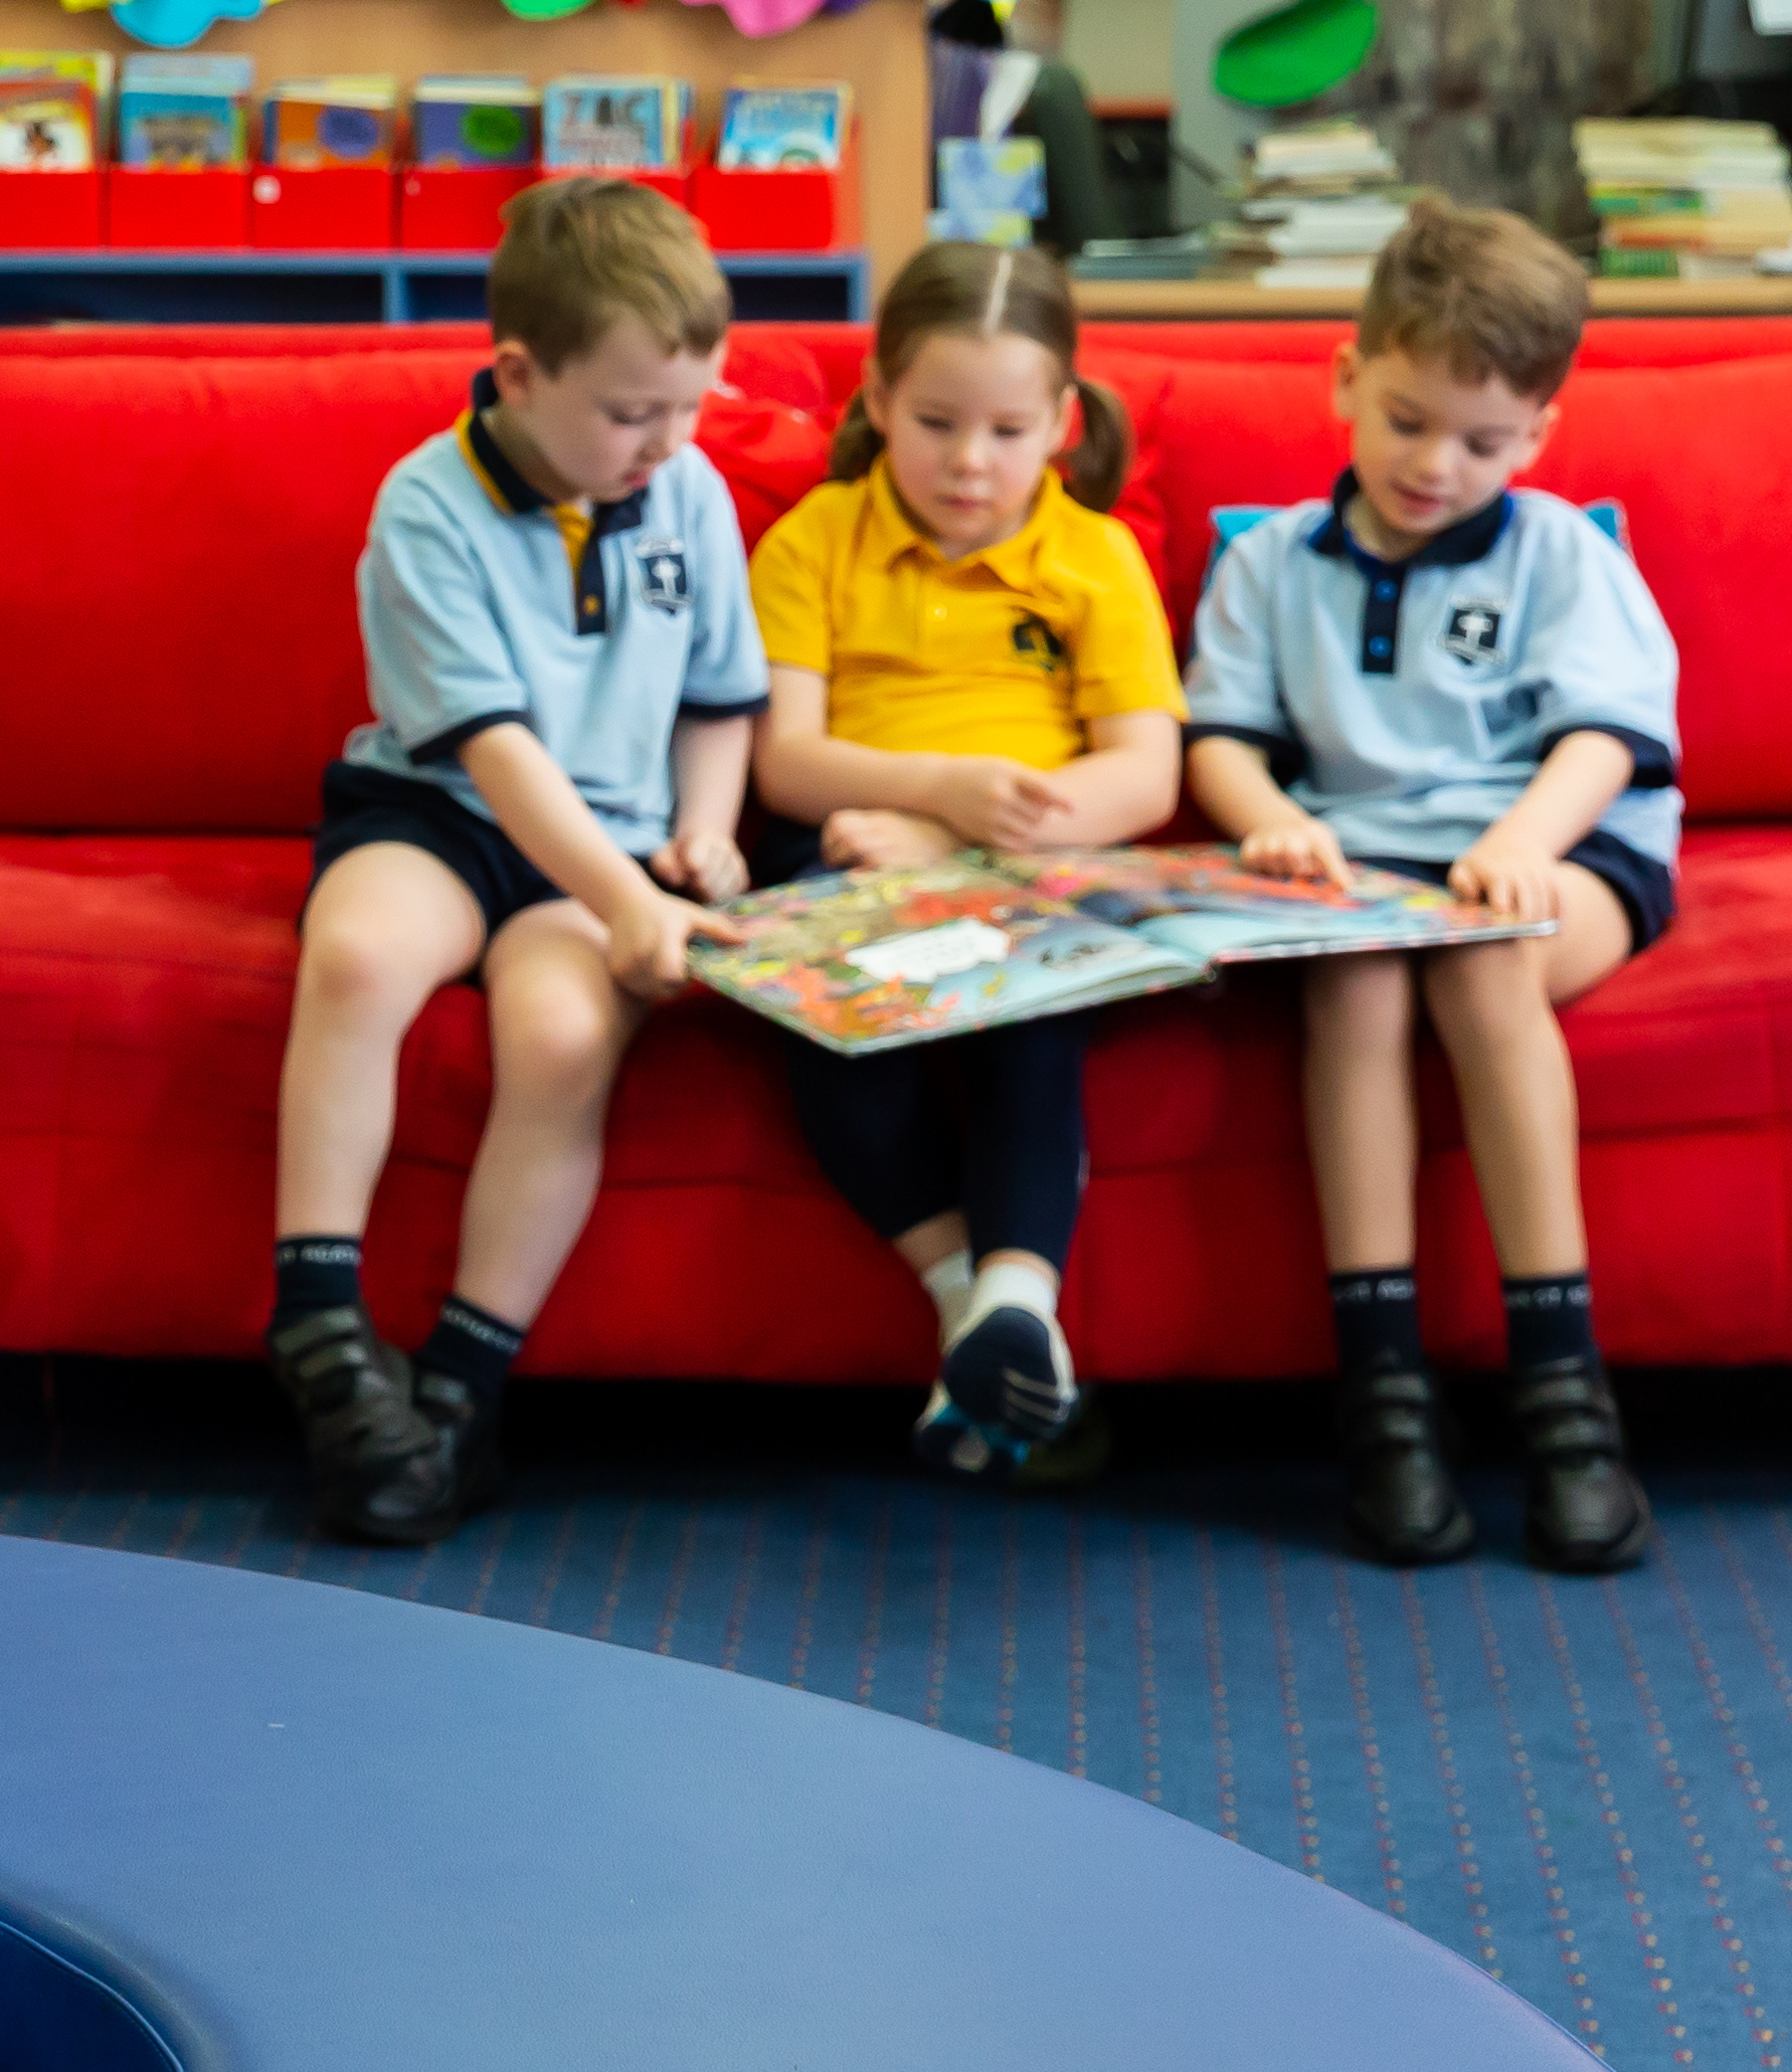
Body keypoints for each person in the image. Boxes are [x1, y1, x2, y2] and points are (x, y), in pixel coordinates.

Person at [1184, 197, 1675, 1577]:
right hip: (1356, 865)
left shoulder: (1559, 554)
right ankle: (1383, 1400)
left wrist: (1522, 838)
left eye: (1481, 441)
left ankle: (1564, 1402)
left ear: (1534, 436)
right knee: (1347, 981)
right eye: (1403, 419)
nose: (1432, 464)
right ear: (1344, 376)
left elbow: (1602, 740)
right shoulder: (1268, 563)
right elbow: (1218, 740)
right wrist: (1271, 821)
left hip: (1559, 850)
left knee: (1478, 955)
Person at [272, 178, 765, 1548]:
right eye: (626, 413)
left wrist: (705, 827)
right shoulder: (425, 504)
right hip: (436, 808)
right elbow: (487, 753)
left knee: (557, 1033)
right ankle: (315, 1317)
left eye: (686, 410)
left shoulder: (689, 493)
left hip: (603, 841)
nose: (660, 444)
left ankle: (456, 1389)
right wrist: (632, 905)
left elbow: (722, 694)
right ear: (515, 373)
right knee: (358, 951)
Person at [743, 241, 1184, 1477]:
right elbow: (785, 758)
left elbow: (1144, 776)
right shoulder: (815, 540)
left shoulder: (1094, 557)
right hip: (846, 846)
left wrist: (963, 832)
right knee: (831, 1030)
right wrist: (928, 795)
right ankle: (985, 1314)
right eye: (935, 423)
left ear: (1063, 421)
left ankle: (1002, 1307)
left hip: (1032, 859)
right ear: (877, 402)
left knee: (1033, 1031)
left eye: (1006, 428)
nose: (969, 463)